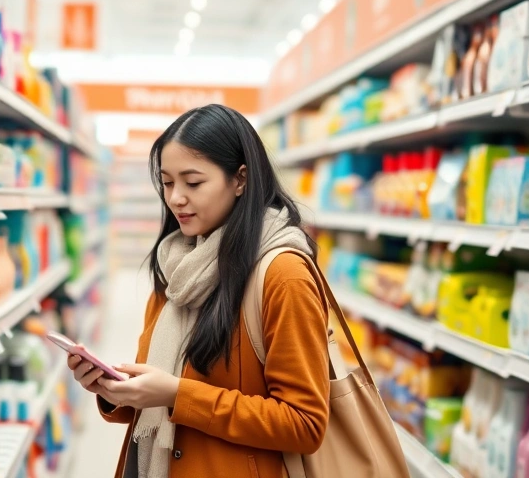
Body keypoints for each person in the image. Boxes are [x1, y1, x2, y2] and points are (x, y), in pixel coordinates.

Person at [68, 104, 331, 478]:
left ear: (240, 179)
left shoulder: (283, 275)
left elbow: (304, 424)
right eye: (167, 181)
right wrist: (115, 391)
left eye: (193, 183)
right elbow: (156, 389)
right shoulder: (177, 265)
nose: (175, 198)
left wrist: (178, 394)